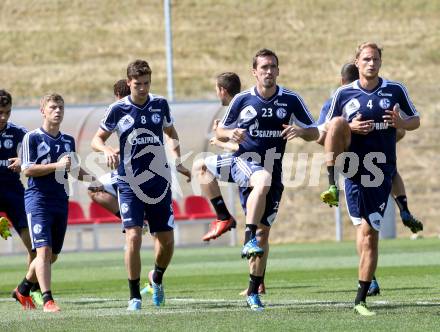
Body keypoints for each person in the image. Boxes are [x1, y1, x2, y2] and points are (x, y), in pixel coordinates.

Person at [320, 42, 420, 315]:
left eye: (375, 59)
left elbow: (416, 120)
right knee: (339, 123)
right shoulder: (343, 94)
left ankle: (360, 298)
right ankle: (331, 183)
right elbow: (325, 129)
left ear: (380, 62)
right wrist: (349, 127)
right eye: (366, 59)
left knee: (369, 236)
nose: (371, 63)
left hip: (379, 173)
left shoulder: (395, 90)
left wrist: (401, 123)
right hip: (352, 168)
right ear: (357, 61)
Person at [216, 49, 318, 311]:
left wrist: (301, 130)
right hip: (245, 166)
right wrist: (232, 134)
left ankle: (254, 288)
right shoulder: (242, 99)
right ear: (254, 72)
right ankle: (242, 234)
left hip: (275, 172)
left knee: (264, 233)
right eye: (263, 67)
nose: (268, 71)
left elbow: (315, 131)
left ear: (278, 70)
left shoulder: (291, 99)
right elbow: (221, 129)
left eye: (272, 67)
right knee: (256, 223)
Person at [91, 59, 191, 311]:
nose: (143, 88)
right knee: (133, 236)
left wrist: (177, 160)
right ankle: (134, 296)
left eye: (147, 83)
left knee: (167, 241)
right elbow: (96, 139)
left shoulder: (160, 104)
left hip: (158, 181)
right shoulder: (118, 109)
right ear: (129, 83)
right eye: (138, 84)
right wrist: (106, 149)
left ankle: (156, 277)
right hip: (128, 182)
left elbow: (171, 133)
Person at [13, 93, 102, 312]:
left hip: (60, 201)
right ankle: (48, 299)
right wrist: (56, 165)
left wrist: (94, 180)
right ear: (42, 110)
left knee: (52, 256)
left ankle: (23, 289)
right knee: (43, 252)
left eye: (61, 107)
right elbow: (27, 169)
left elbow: (72, 167)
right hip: (38, 201)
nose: (58, 111)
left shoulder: (67, 140)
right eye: (53, 107)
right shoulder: (31, 138)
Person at [0, 90, 44, 306]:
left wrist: (22, 159)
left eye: (7, 112)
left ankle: (30, 288)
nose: (3, 117)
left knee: (35, 248)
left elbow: (37, 150)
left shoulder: (18, 133)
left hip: (13, 192)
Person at [193, 72, 241, 243]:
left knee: (201, 166)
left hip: (250, 163)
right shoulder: (238, 108)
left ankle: (223, 217)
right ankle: (225, 218)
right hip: (259, 163)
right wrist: (222, 132)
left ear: (222, 90)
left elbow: (246, 146)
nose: (216, 93)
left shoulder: (239, 108)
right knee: (257, 227)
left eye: (216, 89)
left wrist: (221, 144)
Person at [88, 79, 131, 217]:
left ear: (117, 94)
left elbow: (96, 141)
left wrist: (106, 150)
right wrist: (117, 150)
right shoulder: (149, 107)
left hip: (130, 173)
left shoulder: (116, 109)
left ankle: (132, 218)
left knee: (93, 188)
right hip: (154, 171)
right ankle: (138, 219)